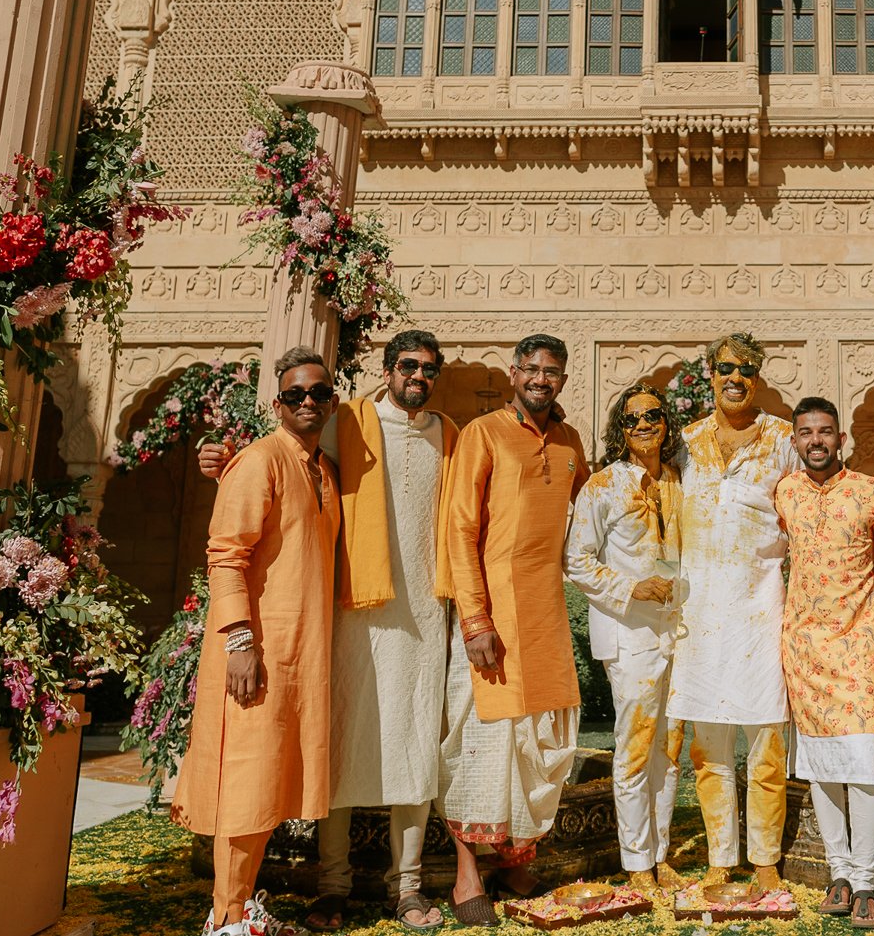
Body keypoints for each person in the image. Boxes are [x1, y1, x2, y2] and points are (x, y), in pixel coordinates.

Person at [199, 333, 460, 933]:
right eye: (407, 365)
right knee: (337, 748)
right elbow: (272, 460)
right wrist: (222, 461)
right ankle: (331, 887)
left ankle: (409, 887)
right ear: (385, 370)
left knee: (414, 746)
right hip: (349, 616)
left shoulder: (450, 434)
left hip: (423, 617)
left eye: (429, 368)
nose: (418, 375)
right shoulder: (350, 423)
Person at [173, 347, 343, 936]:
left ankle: (241, 907)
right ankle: (224, 917)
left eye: (318, 393)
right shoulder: (261, 461)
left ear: (331, 401)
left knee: (269, 777)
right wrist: (239, 640)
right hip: (257, 652)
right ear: (277, 403)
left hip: (299, 651)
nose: (307, 402)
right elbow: (226, 554)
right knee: (246, 781)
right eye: (295, 394)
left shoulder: (321, 468)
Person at [441, 333, 590, 926]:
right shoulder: (484, 433)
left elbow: (593, 518)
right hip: (493, 613)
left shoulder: (571, 442)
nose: (541, 380)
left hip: (546, 611)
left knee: (540, 740)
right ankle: (467, 873)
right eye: (532, 370)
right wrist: (474, 618)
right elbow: (459, 531)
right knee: (480, 743)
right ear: (514, 372)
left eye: (552, 372)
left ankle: (516, 857)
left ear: (563, 379)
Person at [665, 332, 800, 891]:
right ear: (710, 373)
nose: (735, 378)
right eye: (725, 368)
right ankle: (723, 853)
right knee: (707, 745)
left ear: (758, 375)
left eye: (746, 369)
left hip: (760, 611)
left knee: (766, 740)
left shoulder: (784, 439)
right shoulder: (686, 440)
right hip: (697, 615)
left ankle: (765, 856)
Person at [564, 384, 685, 893]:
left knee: (671, 745)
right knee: (635, 746)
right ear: (620, 427)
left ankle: (660, 855)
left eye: (653, 415)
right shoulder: (602, 485)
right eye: (632, 418)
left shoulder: (679, 479)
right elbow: (576, 560)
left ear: (666, 423)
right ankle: (636, 862)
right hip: (629, 630)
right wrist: (632, 586)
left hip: (677, 630)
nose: (643, 425)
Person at [775, 398, 874, 930]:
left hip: (860, 647)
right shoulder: (785, 492)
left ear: (841, 438)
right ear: (795, 440)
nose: (816, 441)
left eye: (825, 432)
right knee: (822, 767)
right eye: (806, 433)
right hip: (804, 651)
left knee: (864, 764)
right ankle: (839, 875)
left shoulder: (870, 492)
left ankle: (866, 882)